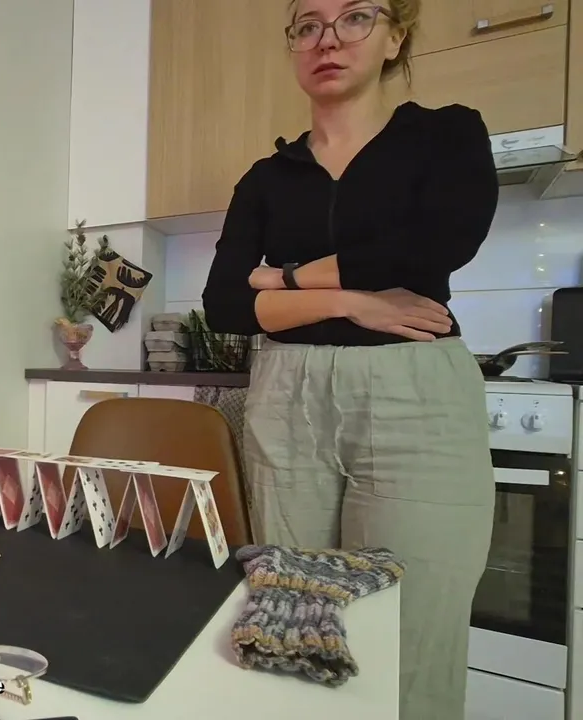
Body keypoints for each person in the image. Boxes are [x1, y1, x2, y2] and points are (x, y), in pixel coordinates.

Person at [199, 1, 496, 719]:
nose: (327, 39)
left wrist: (287, 279)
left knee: (412, 631)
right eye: (308, 25)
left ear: (396, 37)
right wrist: (353, 302)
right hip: (287, 394)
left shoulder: (446, 134)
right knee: (292, 622)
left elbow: (437, 246)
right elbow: (226, 304)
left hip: (414, 393)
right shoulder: (267, 178)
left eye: (356, 17)